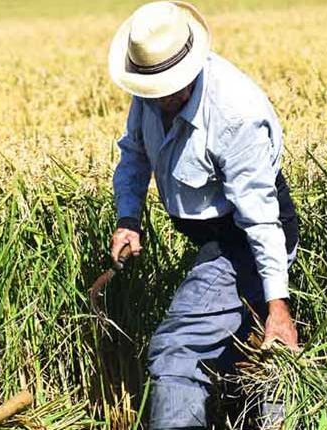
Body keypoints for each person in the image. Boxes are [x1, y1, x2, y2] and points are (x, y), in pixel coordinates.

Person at [107, 1, 299, 428]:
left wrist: (278, 307)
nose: (160, 100)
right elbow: (135, 155)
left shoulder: (235, 114)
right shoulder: (150, 93)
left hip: (244, 237)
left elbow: (261, 220)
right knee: (249, 351)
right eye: (151, 89)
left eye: (168, 88)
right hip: (213, 239)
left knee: (178, 349)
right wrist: (128, 219)